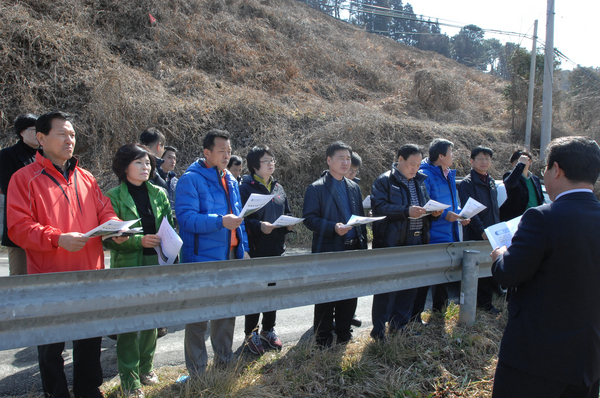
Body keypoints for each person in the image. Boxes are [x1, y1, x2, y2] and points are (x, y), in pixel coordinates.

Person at [6, 111, 127, 398]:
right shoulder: (24, 178)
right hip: (50, 278)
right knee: (51, 344)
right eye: (62, 133)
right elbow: (18, 229)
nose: (69, 139)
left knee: (89, 340)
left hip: (90, 274)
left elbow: (104, 210)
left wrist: (115, 229)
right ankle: (55, 393)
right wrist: (57, 239)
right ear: (41, 138)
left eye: (72, 134)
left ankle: (88, 390)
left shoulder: (86, 177)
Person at [490, 136, 600, 398]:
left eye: (546, 169)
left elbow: (510, 273)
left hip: (536, 358)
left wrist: (500, 255)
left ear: (556, 170)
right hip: (588, 358)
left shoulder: (542, 217)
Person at [175, 129, 249, 379]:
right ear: (207, 152)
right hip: (201, 259)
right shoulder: (190, 180)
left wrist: (244, 248)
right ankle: (197, 372)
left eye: (229, 151)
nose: (227, 155)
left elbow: (239, 219)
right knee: (198, 317)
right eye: (221, 151)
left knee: (227, 312)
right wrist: (219, 221)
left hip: (230, 254)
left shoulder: (230, 179)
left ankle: (225, 361)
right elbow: (186, 219)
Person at [104, 144, 174, 397]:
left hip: (155, 264)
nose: (146, 167)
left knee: (151, 321)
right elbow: (107, 238)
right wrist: (138, 240)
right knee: (127, 325)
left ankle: (146, 367)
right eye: (139, 163)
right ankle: (130, 379)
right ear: (124, 167)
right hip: (128, 267)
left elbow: (169, 225)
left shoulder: (159, 193)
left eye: (148, 163)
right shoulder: (112, 197)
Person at [369, 144, 442, 341]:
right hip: (391, 243)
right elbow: (379, 208)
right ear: (400, 159)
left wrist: (433, 214)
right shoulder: (384, 180)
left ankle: (400, 326)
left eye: (418, 165)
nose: (415, 169)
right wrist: (405, 211)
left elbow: (423, 208)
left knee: (409, 286)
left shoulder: (420, 181)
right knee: (387, 288)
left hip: (416, 241)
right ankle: (378, 330)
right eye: (412, 164)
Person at [303, 141, 367, 348]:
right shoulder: (316, 188)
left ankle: (343, 333)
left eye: (348, 158)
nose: (346, 162)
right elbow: (309, 219)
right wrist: (333, 227)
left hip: (352, 248)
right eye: (341, 158)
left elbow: (360, 218)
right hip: (329, 249)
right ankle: (322, 339)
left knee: (349, 294)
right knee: (326, 295)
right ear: (329, 160)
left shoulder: (354, 187)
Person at [239, 145, 293, 355]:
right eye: (266, 161)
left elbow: (285, 211)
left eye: (272, 160)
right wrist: (259, 226)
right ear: (254, 166)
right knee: (255, 292)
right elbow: (241, 220)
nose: (271, 164)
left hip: (276, 248)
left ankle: (268, 330)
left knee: (273, 290)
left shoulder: (278, 187)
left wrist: (289, 223)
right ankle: (250, 333)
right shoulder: (245, 188)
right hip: (255, 248)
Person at [413, 139, 469, 318]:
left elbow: (453, 203)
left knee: (444, 277)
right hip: (433, 233)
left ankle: (439, 313)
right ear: (441, 156)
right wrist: (446, 215)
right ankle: (415, 316)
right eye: (451, 152)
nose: (453, 156)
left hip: (449, 232)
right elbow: (424, 203)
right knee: (425, 278)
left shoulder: (448, 174)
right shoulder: (424, 174)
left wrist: (460, 215)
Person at [458, 146, 501, 314]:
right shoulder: (467, 183)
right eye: (481, 158)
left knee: (489, 267)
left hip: (492, 232)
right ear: (472, 161)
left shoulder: (490, 181)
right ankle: (481, 304)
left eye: (488, 159)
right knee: (476, 268)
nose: (485, 162)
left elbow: (495, 209)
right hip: (477, 233)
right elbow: (469, 210)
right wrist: (481, 230)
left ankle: (486, 303)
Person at [0, 113, 38, 276]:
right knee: (19, 276)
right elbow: (9, 188)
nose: (39, 134)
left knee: (45, 278)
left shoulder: (46, 154)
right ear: (22, 132)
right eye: (34, 129)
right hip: (19, 223)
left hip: (45, 224)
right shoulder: (7, 155)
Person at [499, 149, 544, 221]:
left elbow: (540, 198)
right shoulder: (509, 176)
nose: (522, 162)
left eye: (525, 160)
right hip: (516, 220)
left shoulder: (535, 179)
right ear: (513, 164)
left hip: (534, 219)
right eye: (518, 161)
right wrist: (520, 165)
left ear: (530, 162)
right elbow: (510, 184)